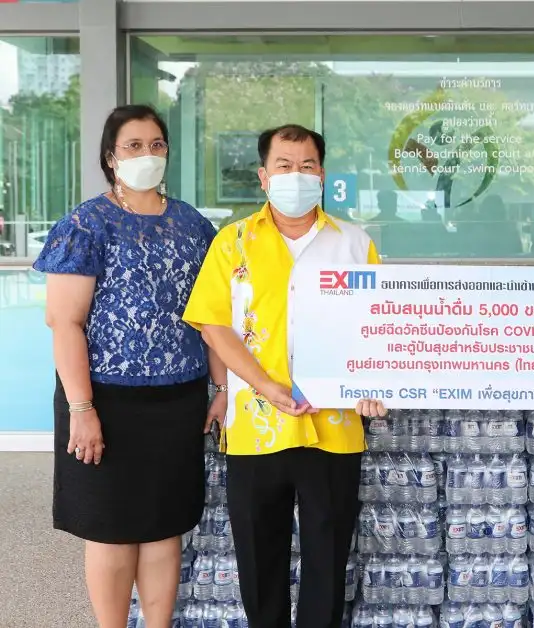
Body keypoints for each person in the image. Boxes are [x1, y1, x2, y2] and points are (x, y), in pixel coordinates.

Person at [182, 124, 386, 628]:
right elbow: (214, 325)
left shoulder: (354, 243)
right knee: (258, 558)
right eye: (284, 165)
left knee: (328, 558)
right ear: (263, 176)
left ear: (323, 175)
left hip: (333, 428)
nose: (297, 175)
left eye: (307, 166)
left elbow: (377, 326)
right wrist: (264, 384)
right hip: (256, 426)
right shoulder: (233, 242)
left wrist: (374, 383)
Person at [33, 104, 225, 628]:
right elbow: (64, 322)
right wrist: (82, 409)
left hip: (178, 399)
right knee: (112, 529)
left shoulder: (193, 225)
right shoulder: (85, 224)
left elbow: (213, 317)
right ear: (110, 157)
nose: (147, 154)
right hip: (103, 400)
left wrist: (222, 388)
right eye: (133, 145)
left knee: (164, 527)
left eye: (156, 144)